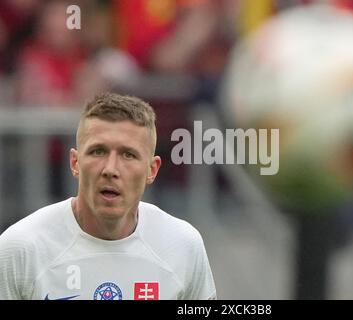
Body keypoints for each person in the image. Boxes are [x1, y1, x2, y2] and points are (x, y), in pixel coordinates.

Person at [0, 92, 217, 300]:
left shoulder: (183, 245)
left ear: (152, 170)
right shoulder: (20, 248)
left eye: (128, 155)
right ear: (75, 163)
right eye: (98, 151)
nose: (110, 169)